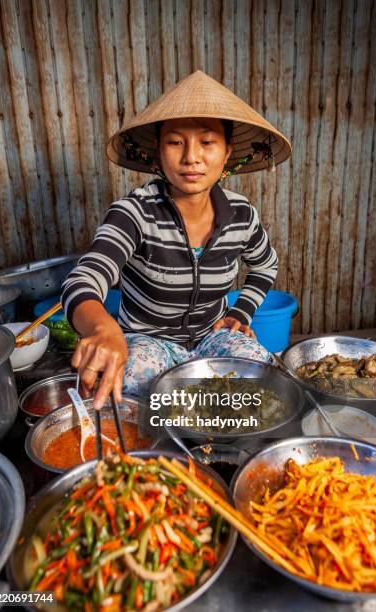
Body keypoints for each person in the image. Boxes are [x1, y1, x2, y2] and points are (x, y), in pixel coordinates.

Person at [61, 70, 291, 409]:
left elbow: (265, 265)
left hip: (213, 338)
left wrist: (241, 313)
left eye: (207, 142)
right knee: (135, 393)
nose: (191, 157)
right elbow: (84, 278)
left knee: (265, 382)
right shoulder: (134, 212)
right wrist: (103, 329)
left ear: (227, 151)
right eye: (176, 142)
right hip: (146, 342)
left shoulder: (242, 215)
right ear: (158, 151)